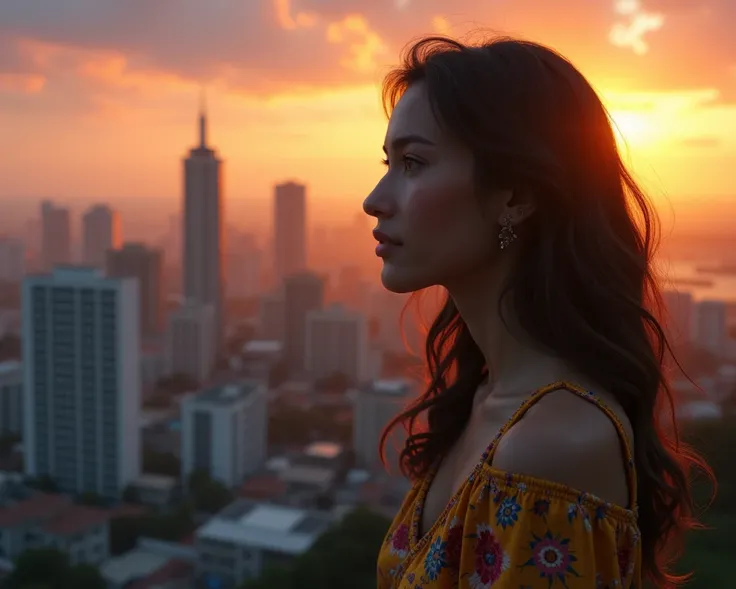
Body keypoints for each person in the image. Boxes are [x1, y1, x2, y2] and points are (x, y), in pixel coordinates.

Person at [363, 36, 709, 589]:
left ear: (516, 195)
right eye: (389, 162)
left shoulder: (551, 446)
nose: (374, 199)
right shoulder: (488, 402)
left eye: (413, 162)